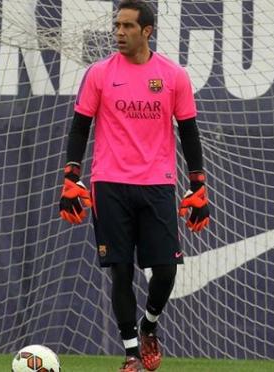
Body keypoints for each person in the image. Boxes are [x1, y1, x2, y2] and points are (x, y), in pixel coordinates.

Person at [58, 1, 210, 371]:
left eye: (128, 26)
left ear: (147, 31)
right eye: (117, 26)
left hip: (157, 184)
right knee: (121, 270)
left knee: (167, 270)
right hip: (109, 183)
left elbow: (188, 131)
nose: (120, 33)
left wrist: (198, 185)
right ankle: (129, 354)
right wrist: (71, 176)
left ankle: (149, 325)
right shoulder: (99, 73)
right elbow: (80, 126)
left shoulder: (173, 76)